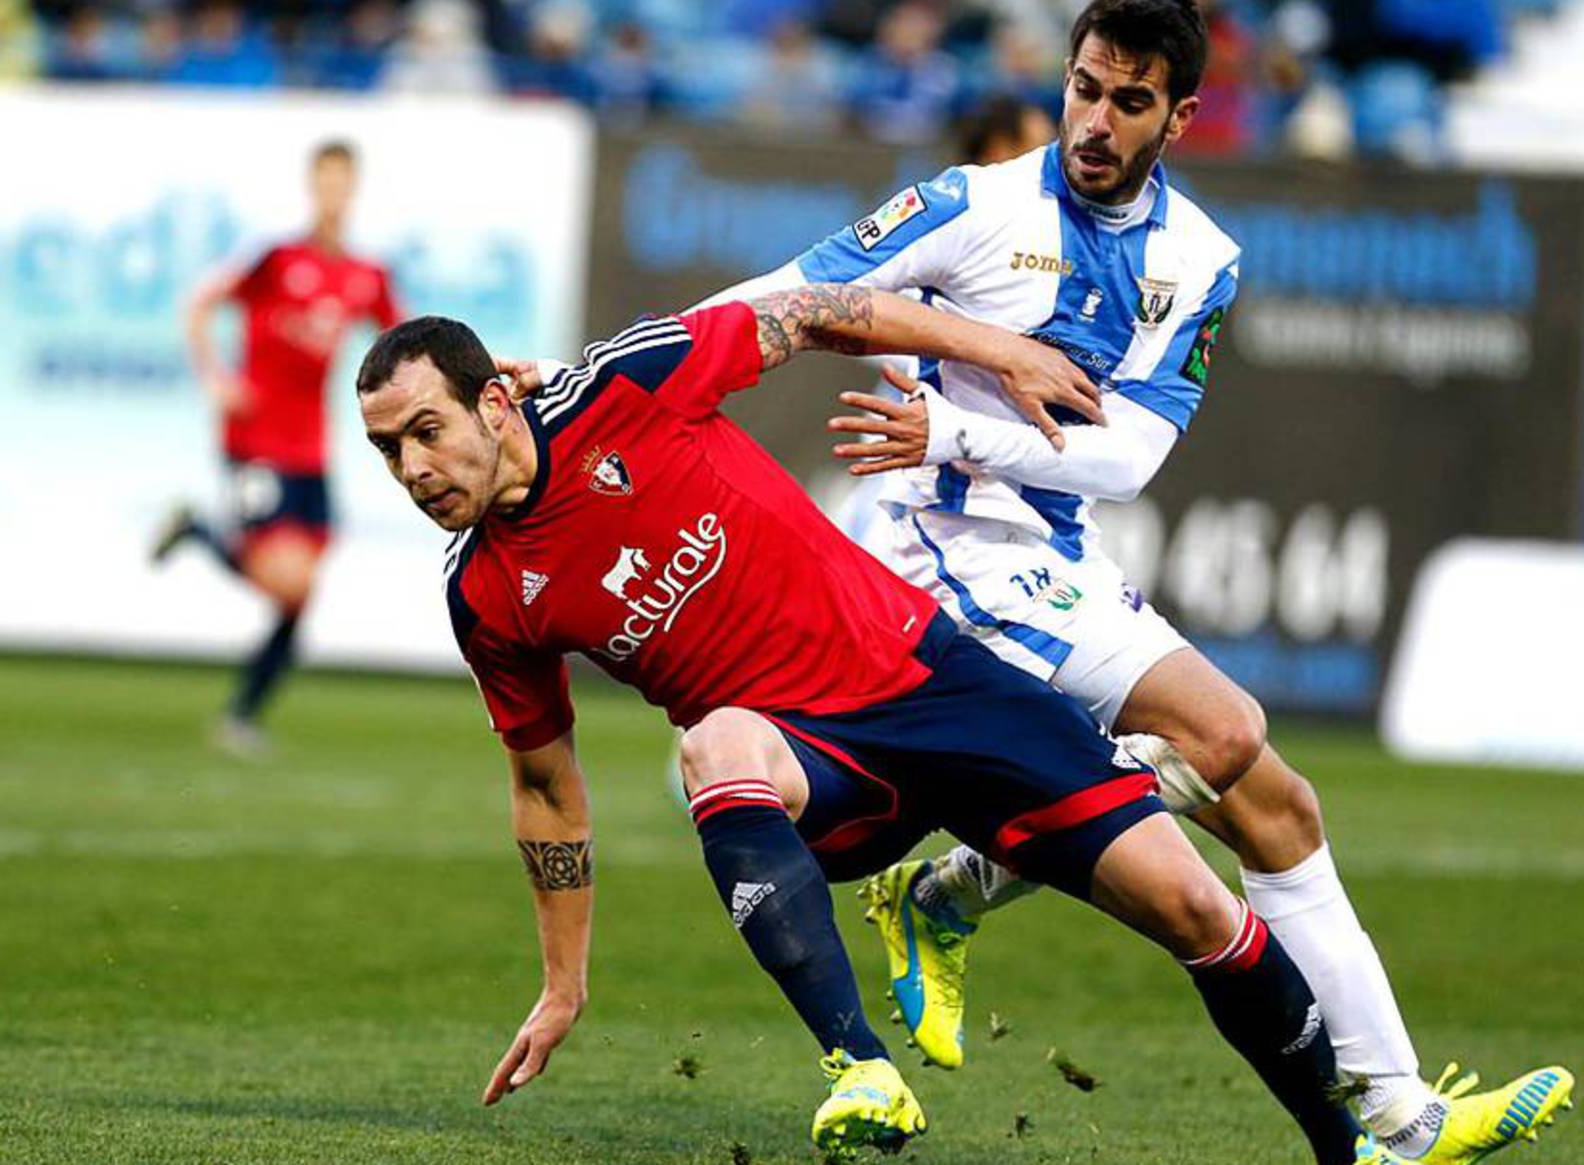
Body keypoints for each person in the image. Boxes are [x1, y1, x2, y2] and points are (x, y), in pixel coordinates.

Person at [698, 1, 1573, 1161]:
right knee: (1223, 731)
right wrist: (594, 379)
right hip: (940, 556)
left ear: (1180, 115)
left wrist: (956, 435)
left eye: (1128, 101)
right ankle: (943, 894)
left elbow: (1129, 455)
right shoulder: (971, 205)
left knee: (1275, 799)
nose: (1094, 122)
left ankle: (1399, 1110)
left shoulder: (1200, 257)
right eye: (1083, 88)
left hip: (1055, 552)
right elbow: (778, 296)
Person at [357, 284, 1418, 1164]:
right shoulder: (486, 597)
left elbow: (824, 312)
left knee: (1197, 906)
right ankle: (860, 1064)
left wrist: (996, 348)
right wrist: (560, 984)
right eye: (388, 450)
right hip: (815, 767)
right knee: (713, 745)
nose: (412, 471)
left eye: (426, 431)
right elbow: (545, 787)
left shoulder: (628, 385)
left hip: (934, 682)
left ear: (496, 401)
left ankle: (1349, 1148)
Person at [153, 140, 403, 755]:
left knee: (300, 598)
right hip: (254, 440)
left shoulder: (365, 275)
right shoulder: (275, 258)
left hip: (312, 452)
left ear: (354, 190)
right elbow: (198, 305)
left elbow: (404, 342)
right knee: (287, 586)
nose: (333, 194)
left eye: (344, 183)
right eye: (325, 182)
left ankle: (241, 716)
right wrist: (215, 377)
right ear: (311, 186)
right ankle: (203, 533)